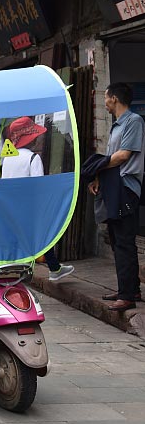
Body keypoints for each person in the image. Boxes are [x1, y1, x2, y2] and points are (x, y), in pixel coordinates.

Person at [88, 83, 145, 311]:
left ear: (114, 98)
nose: (104, 101)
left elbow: (122, 157)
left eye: (105, 96)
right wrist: (98, 180)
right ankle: (131, 289)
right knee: (116, 240)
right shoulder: (116, 126)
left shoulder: (133, 121)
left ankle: (127, 296)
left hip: (126, 188)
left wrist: (96, 165)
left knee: (124, 242)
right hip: (113, 187)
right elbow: (112, 158)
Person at [1, 116, 74, 282]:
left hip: (10, 208)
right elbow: (39, 188)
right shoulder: (33, 158)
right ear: (31, 138)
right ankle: (54, 269)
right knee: (44, 237)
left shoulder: (8, 158)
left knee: (17, 241)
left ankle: (12, 271)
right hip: (28, 209)